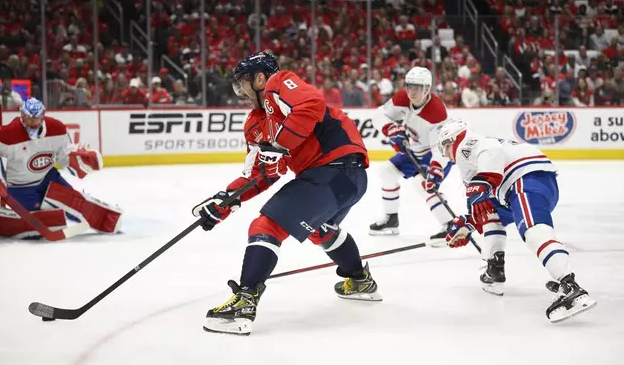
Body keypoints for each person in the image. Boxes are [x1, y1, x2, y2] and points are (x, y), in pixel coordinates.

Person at [194, 51, 381, 336]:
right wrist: (225, 201)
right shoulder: (255, 125)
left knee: (265, 225)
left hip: (333, 169)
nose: (241, 91)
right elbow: (261, 173)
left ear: (259, 77)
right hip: (348, 179)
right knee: (322, 229)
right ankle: (359, 280)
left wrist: (280, 145)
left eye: (244, 82)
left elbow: (311, 104)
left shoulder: (278, 83)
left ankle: (244, 302)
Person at [438, 120, 596, 323]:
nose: (445, 154)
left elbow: (492, 152)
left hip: (523, 180)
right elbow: (483, 208)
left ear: (452, 139)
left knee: (534, 233)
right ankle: (495, 269)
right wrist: (465, 225)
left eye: (444, 147)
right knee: (491, 216)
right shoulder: (472, 161)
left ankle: (570, 286)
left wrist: (484, 181)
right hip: (529, 183)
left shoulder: (466, 145)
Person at [0, 97, 123, 238]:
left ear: (43, 115)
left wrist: (78, 158)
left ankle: (109, 220)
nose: (32, 122)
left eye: (36, 118)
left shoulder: (57, 129)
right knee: (47, 224)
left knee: (75, 202)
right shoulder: (7, 135)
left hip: (48, 177)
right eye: (28, 118)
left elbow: (63, 157)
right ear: (22, 116)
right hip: (20, 187)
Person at [369, 66, 454, 246]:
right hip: (415, 149)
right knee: (386, 172)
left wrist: (436, 168)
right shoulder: (402, 97)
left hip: (436, 152)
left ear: (427, 88)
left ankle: (449, 225)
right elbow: (378, 115)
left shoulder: (436, 111)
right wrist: (390, 128)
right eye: (409, 86)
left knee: (423, 184)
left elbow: (440, 148)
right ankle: (391, 220)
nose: (411, 91)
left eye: (417, 87)